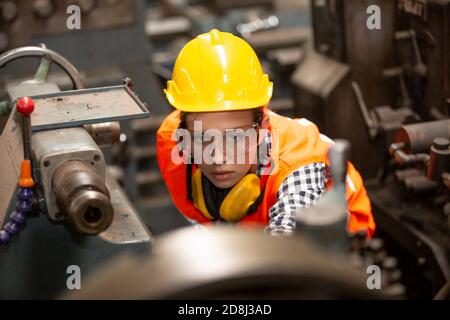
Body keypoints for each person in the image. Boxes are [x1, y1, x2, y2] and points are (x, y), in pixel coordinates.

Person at [157, 29, 375, 237]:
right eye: (203, 139)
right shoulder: (171, 143)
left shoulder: (296, 168)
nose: (218, 158)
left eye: (235, 137)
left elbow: (290, 251)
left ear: (262, 128)